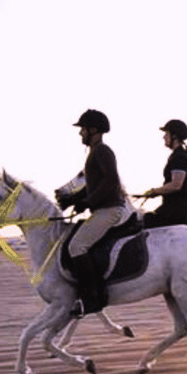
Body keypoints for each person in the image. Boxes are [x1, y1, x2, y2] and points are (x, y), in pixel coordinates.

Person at [68, 109, 128, 317]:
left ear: (93, 130)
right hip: (103, 207)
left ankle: (92, 299)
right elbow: (96, 184)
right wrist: (75, 199)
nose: (80, 133)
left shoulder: (102, 151)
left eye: (82, 129)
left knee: (76, 246)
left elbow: (110, 181)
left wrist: (87, 202)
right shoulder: (95, 152)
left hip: (109, 209)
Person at [142, 119, 187, 228]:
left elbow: (176, 185)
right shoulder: (177, 155)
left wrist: (154, 192)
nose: (164, 137)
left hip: (174, 214)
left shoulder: (179, 157)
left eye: (166, 133)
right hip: (171, 210)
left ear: (174, 136)